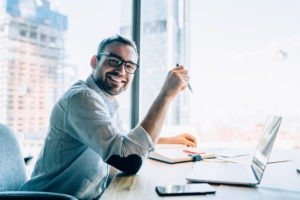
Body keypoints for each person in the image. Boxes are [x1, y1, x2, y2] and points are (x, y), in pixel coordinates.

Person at [21, 35, 193, 199]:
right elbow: (129, 160)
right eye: (113, 61)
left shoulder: (104, 101)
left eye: (129, 66)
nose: (121, 70)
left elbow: (123, 142)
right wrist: (166, 95)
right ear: (94, 62)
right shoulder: (82, 98)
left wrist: (168, 140)